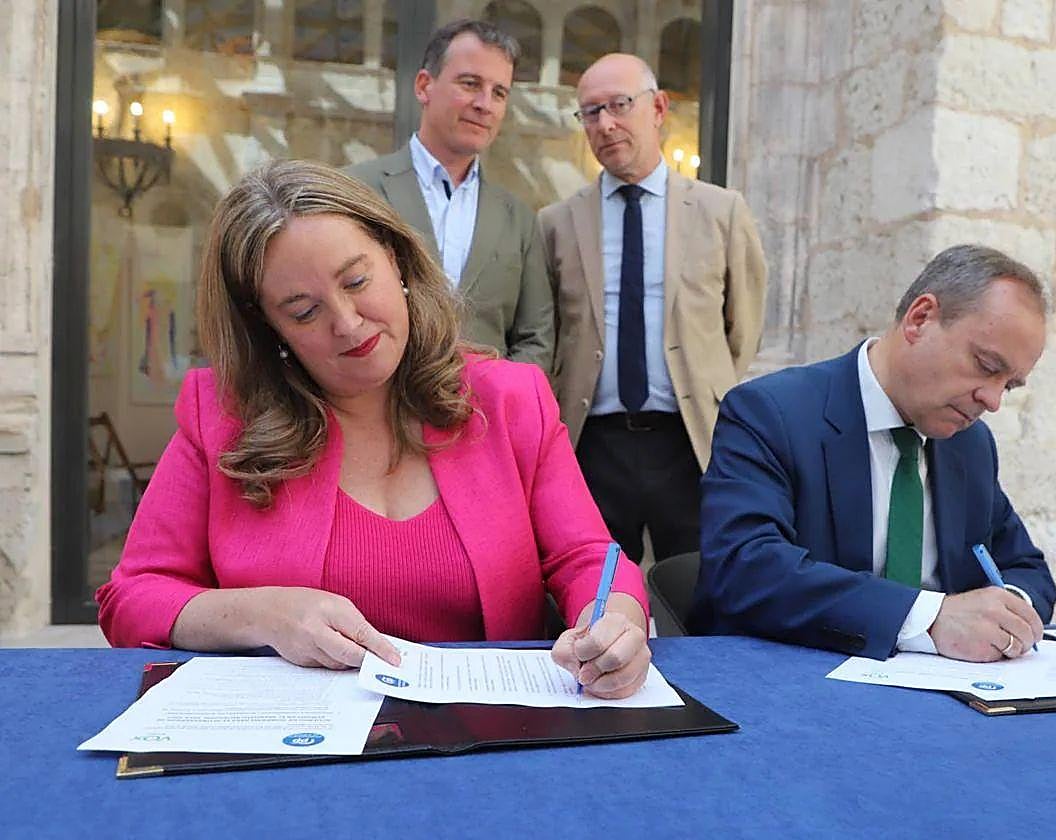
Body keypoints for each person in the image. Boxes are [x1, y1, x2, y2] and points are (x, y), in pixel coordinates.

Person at [97, 160, 650, 699]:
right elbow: (132, 597)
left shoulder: (510, 398)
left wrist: (615, 625)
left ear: (396, 258)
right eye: (303, 311)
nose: (347, 322)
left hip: (484, 731)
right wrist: (261, 614)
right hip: (297, 741)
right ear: (268, 326)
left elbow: (588, 559)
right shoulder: (222, 416)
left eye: (357, 281)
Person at [690, 244, 1056, 662]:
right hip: (789, 675)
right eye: (987, 366)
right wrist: (928, 619)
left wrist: (1004, 615)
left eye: (1009, 385)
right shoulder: (771, 413)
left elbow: (1027, 569)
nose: (992, 400)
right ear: (920, 318)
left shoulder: (970, 445)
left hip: (939, 685)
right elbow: (745, 569)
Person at [539, 53, 766, 565]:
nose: (605, 124)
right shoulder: (556, 223)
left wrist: (705, 381)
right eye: (590, 112)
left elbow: (743, 328)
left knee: (697, 585)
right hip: (592, 445)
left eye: (619, 105)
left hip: (690, 439)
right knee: (595, 584)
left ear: (659, 108)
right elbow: (549, 333)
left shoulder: (721, 211)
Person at [345, 19, 554, 372]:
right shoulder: (356, 191)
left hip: (486, 404)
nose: (485, 104)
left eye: (499, 93)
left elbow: (537, 338)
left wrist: (496, 396)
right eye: (470, 84)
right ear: (424, 86)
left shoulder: (518, 219)